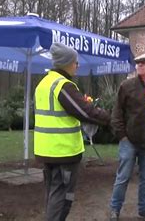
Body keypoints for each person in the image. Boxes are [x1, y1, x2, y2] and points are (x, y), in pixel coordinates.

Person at [34, 42, 110, 221]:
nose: (77, 65)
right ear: (66, 63)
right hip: (63, 151)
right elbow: (85, 111)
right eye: (75, 62)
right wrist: (110, 119)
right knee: (63, 198)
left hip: (46, 150)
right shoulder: (63, 85)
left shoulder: (43, 84)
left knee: (53, 195)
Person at [109, 53, 145, 220]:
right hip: (129, 140)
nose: (139, 65)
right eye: (137, 63)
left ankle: (144, 211)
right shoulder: (127, 85)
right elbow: (117, 112)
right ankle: (115, 209)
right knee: (122, 177)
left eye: (143, 63)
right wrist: (121, 135)